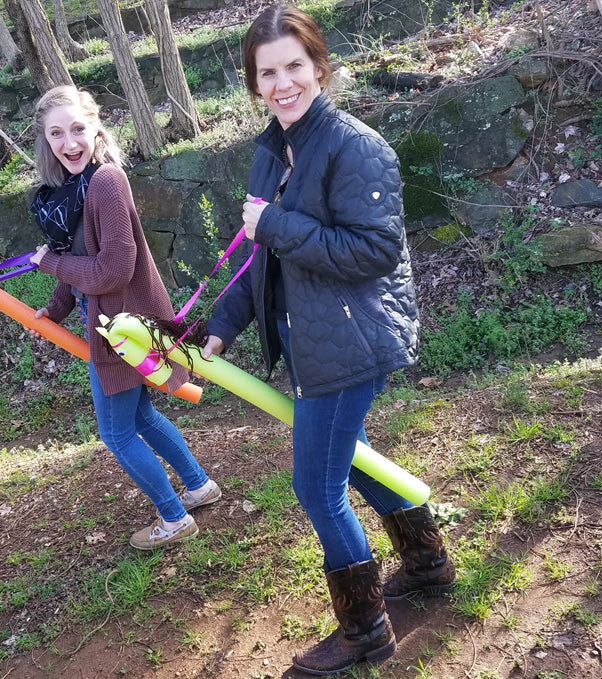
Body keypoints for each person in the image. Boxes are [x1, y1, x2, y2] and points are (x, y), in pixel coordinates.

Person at [202, 6, 456, 675]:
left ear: (319, 65)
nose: (283, 82)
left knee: (318, 486)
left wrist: (278, 226)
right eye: (267, 72)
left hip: (351, 342)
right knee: (354, 463)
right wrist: (223, 325)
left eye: (294, 66)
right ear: (253, 84)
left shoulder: (355, 145)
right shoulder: (271, 152)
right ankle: (428, 562)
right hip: (314, 342)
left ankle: (366, 631)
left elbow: (372, 251)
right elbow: (264, 262)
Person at [27, 85, 220, 550]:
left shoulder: (105, 181)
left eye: (78, 128)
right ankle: (198, 487)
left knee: (116, 433)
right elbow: (77, 258)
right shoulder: (70, 192)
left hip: (124, 327)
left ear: (96, 127)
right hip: (117, 323)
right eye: (57, 133)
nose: (70, 142)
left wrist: (48, 263)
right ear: (45, 141)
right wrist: (56, 307)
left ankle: (173, 518)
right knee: (143, 418)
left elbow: (113, 269)